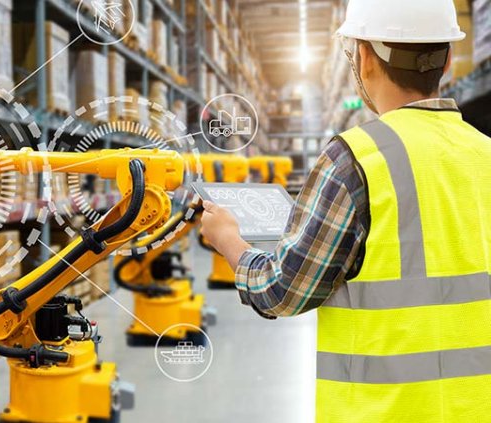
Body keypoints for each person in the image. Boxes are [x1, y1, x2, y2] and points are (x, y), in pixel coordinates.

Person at [200, 0, 491, 421]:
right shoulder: (485, 154)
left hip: (384, 412)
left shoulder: (355, 158)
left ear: (365, 57)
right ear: (446, 61)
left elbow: (280, 292)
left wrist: (228, 239)